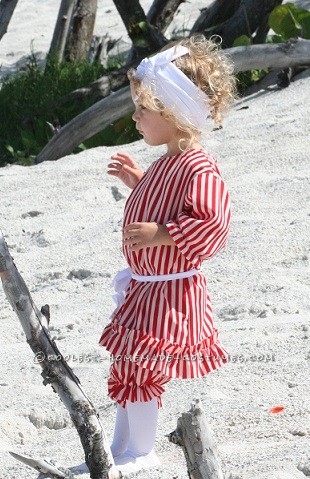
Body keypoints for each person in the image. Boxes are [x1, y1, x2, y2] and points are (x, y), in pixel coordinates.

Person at [99, 34, 236, 475]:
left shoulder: (198, 165)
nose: (135, 116)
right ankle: (124, 448)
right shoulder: (167, 162)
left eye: (144, 109)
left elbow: (212, 223)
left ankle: (140, 450)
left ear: (175, 115)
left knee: (143, 364)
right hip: (146, 287)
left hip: (170, 292)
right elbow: (169, 202)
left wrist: (161, 233)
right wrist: (140, 182)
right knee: (131, 364)